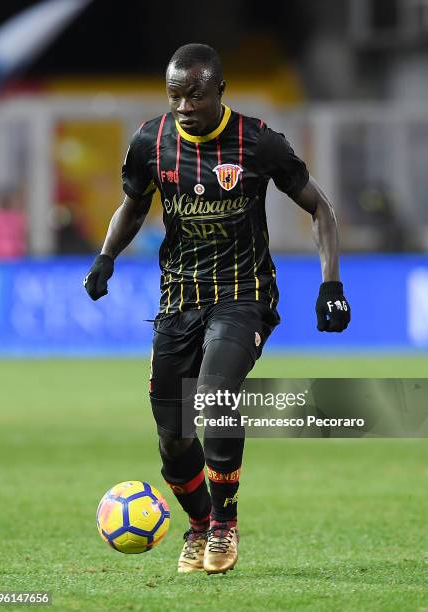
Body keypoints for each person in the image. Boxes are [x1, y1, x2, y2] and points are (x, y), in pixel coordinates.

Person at [84, 43, 351, 575]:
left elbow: (320, 207)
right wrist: (106, 255)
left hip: (243, 293)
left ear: (219, 91)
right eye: (175, 95)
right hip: (179, 298)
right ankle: (200, 523)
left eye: (195, 95)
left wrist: (331, 284)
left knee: (214, 395)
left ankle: (225, 523)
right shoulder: (151, 141)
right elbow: (134, 205)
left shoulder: (257, 141)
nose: (183, 105)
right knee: (172, 434)